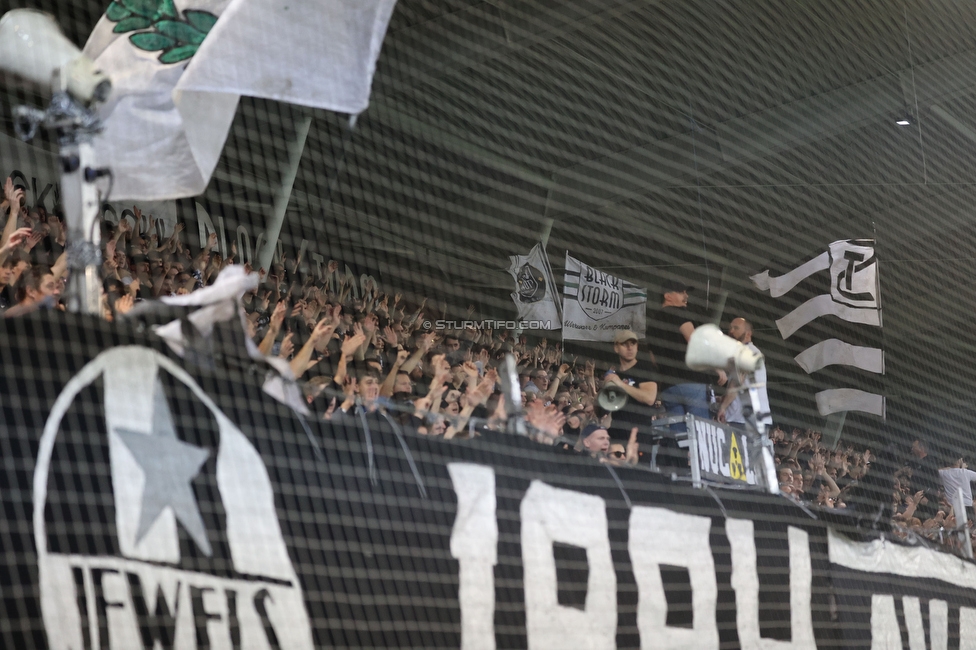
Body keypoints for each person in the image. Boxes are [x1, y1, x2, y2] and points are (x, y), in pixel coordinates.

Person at [646, 279, 725, 434]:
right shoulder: (679, 312)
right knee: (702, 434)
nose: (686, 295)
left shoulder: (651, 325)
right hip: (692, 382)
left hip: (669, 388)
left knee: (680, 438)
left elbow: (653, 360)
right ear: (667, 296)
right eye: (681, 292)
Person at [604, 329, 657, 446]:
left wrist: (621, 384)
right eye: (624, 344)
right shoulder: (615, 374)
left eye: (633, 344)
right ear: (616, 348)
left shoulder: (644, 368)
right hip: (617, 434)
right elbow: (601, 411)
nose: (630, 348)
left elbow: (649, 398)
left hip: (639, 435)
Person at [716, 317, 770, 429]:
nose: (731, 331)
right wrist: (724, 398)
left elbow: (736, 383)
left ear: (748, 334)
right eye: (730, 328)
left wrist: (723, 407)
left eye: (736, 328)